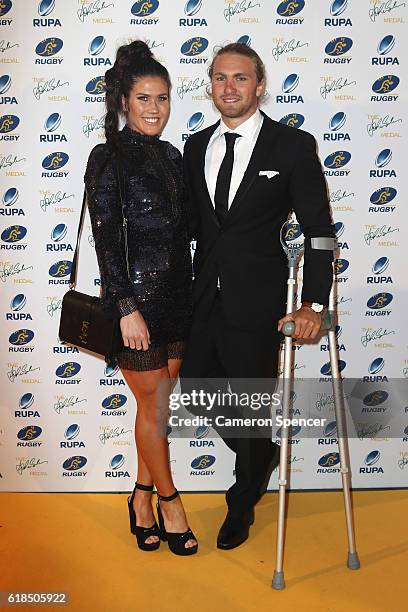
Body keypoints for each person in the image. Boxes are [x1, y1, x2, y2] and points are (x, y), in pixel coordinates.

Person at [181, 43, 334, 550]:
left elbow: (318, 232)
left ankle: (242, 499)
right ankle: (262, 456)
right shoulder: (195, 145)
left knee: (247, 404)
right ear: (211, 86)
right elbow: (190, 226)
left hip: (259, 301)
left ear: (260, 86)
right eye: (220, 78)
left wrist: (313, 303)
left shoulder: (292, 146)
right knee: (198, 390)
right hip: (202, 296)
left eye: (240, 78)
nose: (230, 88)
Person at [84, 40, 197, 555]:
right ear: (124, 102)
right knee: (154, 403)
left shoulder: (174, 156)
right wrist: (125, 307)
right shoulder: (107, 157)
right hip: (136, 303)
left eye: (164, 98)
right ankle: (170, 501)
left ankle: (140, 496)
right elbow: (106, 240)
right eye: (145, 98)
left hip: (177, 297)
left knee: (157, 409)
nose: (155, 108)